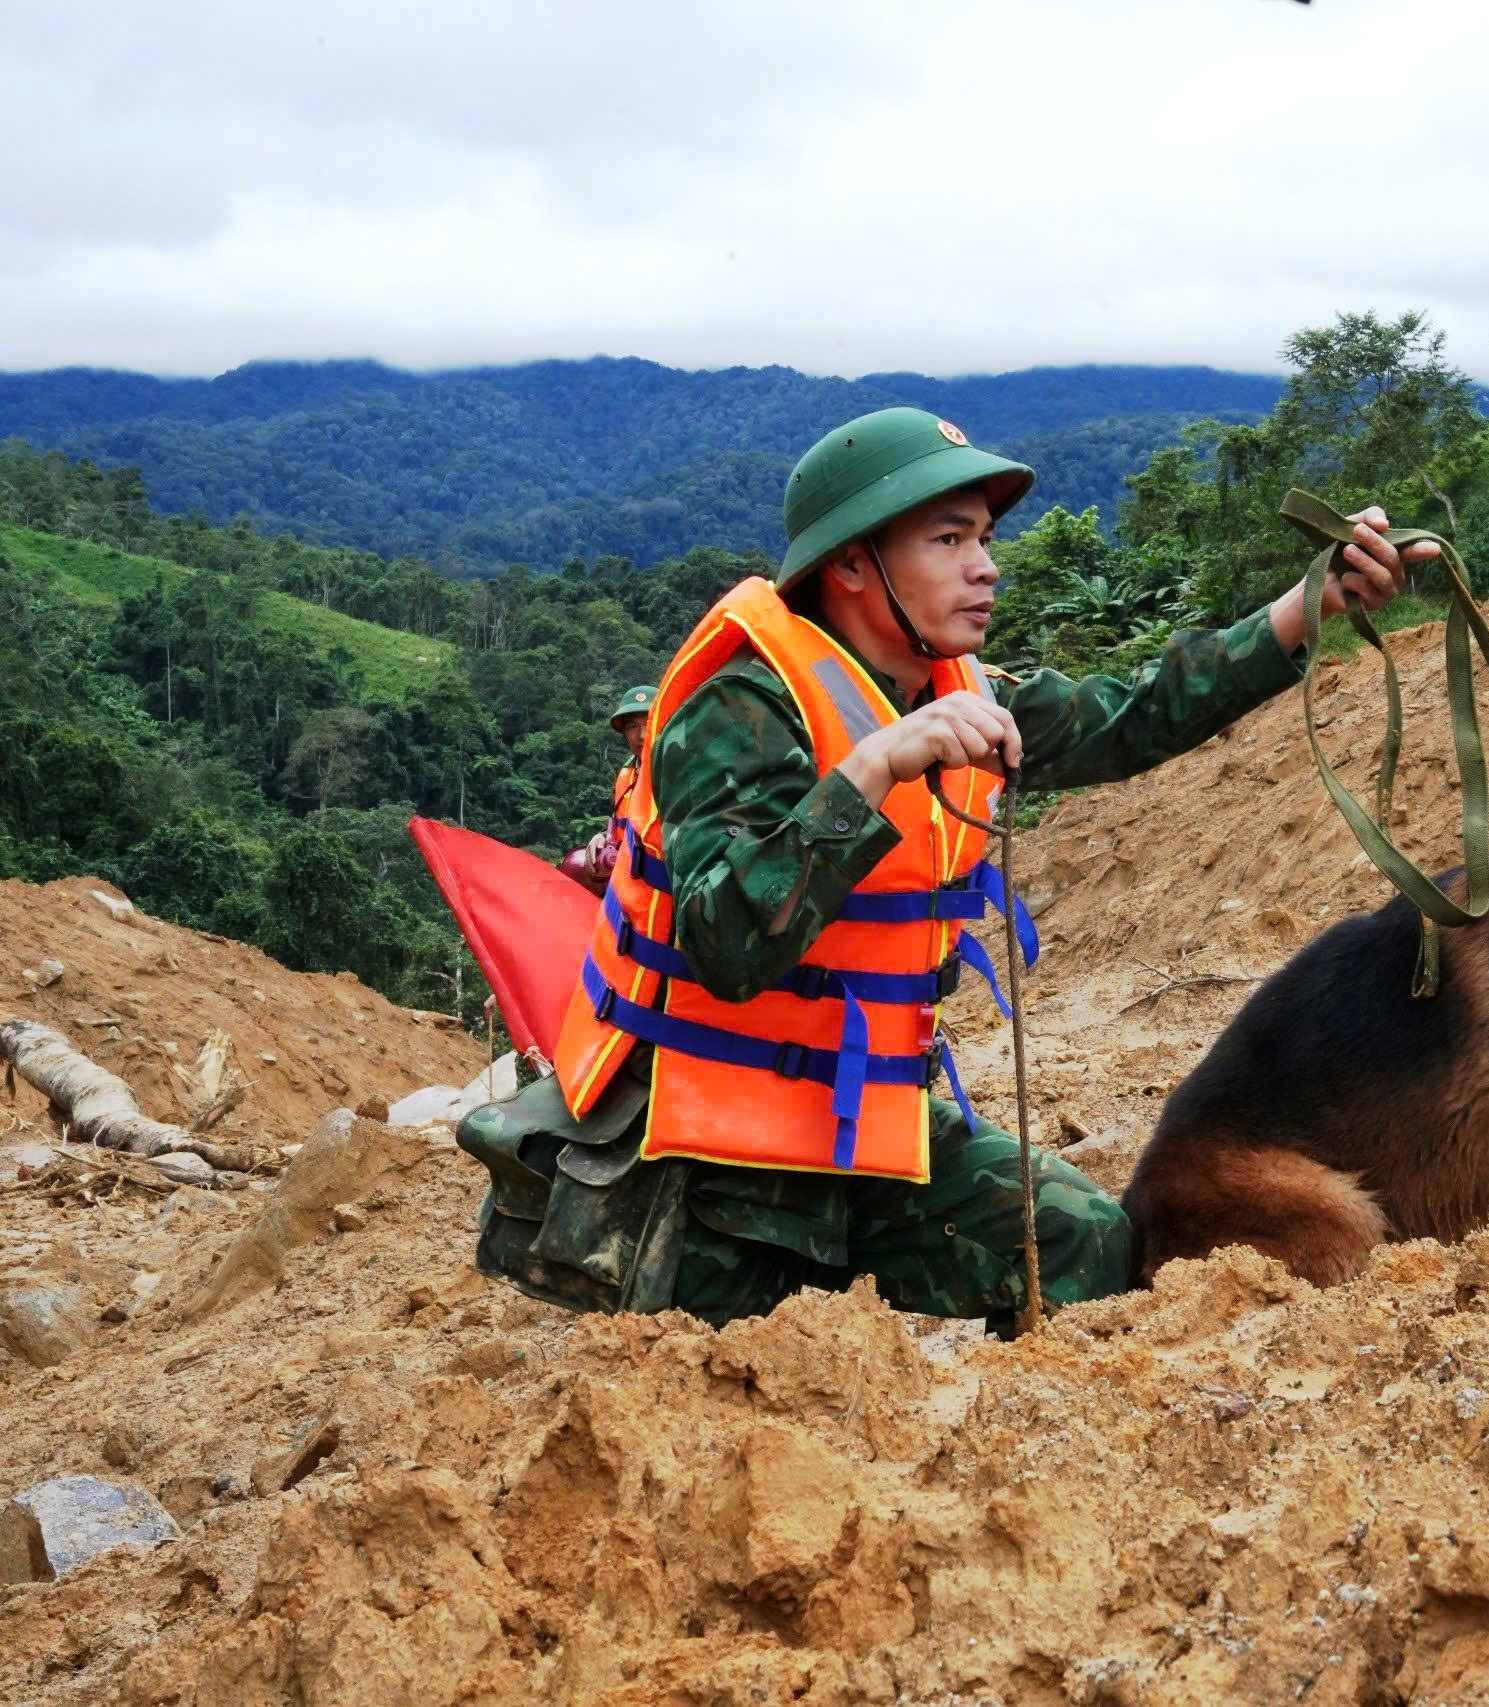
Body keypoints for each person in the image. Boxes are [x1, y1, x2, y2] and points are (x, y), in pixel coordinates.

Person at [458, 407, 1435, 1331]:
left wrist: (1308, 609)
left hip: (854, 1127)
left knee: (1081, 1246)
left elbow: (1131, 713)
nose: (986, 569)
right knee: (739, 1404)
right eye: (950, 541)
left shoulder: (942, 689)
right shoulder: (739, 708)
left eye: (984, 541)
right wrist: (874, 768)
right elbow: (726, 948)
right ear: (852, 562)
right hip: (706, 1162)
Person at [559, 685, 657, 897]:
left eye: (649, 723)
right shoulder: (627, 774)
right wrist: (604, 837)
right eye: (632, 726)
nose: (641, 735)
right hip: (626, 890)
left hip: (661, 896)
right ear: (623, 733)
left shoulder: (675, 776)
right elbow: (623, 826)